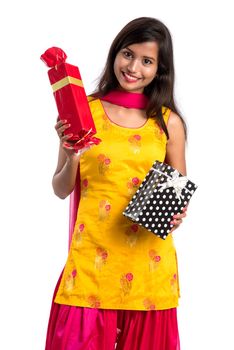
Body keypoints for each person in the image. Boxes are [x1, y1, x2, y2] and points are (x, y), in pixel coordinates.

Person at [45, 17, 188, 350]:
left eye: (147, 61)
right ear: (115, 54)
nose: (134, 67)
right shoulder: (83, 111)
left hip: (148, 269)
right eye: (127, 54)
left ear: (159, 69)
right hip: (90, 267)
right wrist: (73, 154)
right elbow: (60, 188)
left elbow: (177, 193)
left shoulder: (168, 124)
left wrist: (177, 215)